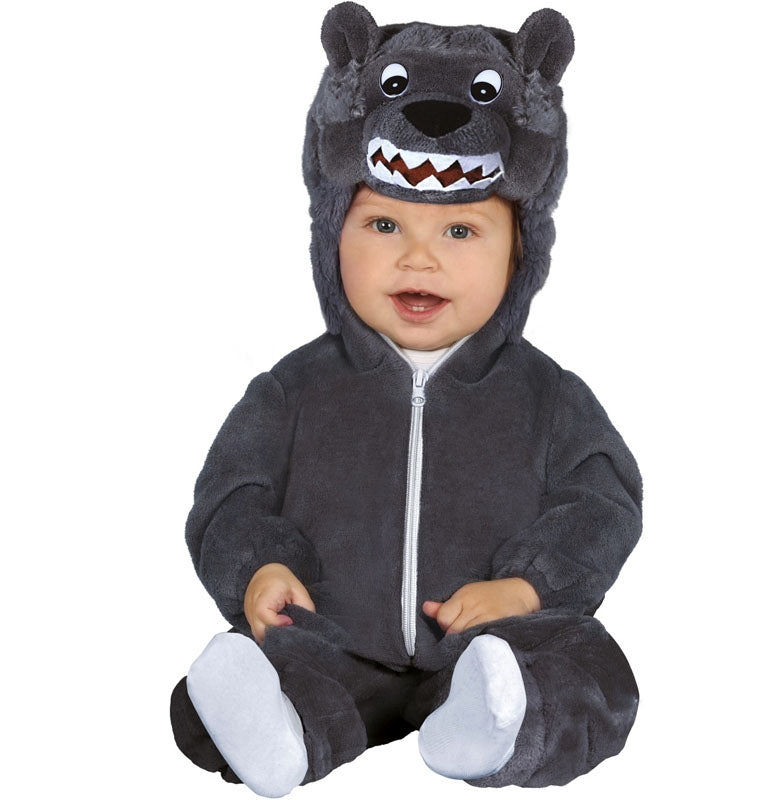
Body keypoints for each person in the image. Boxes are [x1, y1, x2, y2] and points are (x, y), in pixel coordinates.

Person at [170, 4, 643, 797]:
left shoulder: (548, 397)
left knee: (588, 668)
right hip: (335, 640)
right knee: (252, 671)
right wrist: (259, 570)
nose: (418, 259)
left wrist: (526, 588)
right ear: (333, 237)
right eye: (385, 224)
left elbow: (602, 502)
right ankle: (284, 730)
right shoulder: (292, 390)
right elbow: (229, 495)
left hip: (494, 638)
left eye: (460, 233)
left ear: (520, 255)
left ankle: (492, 721)